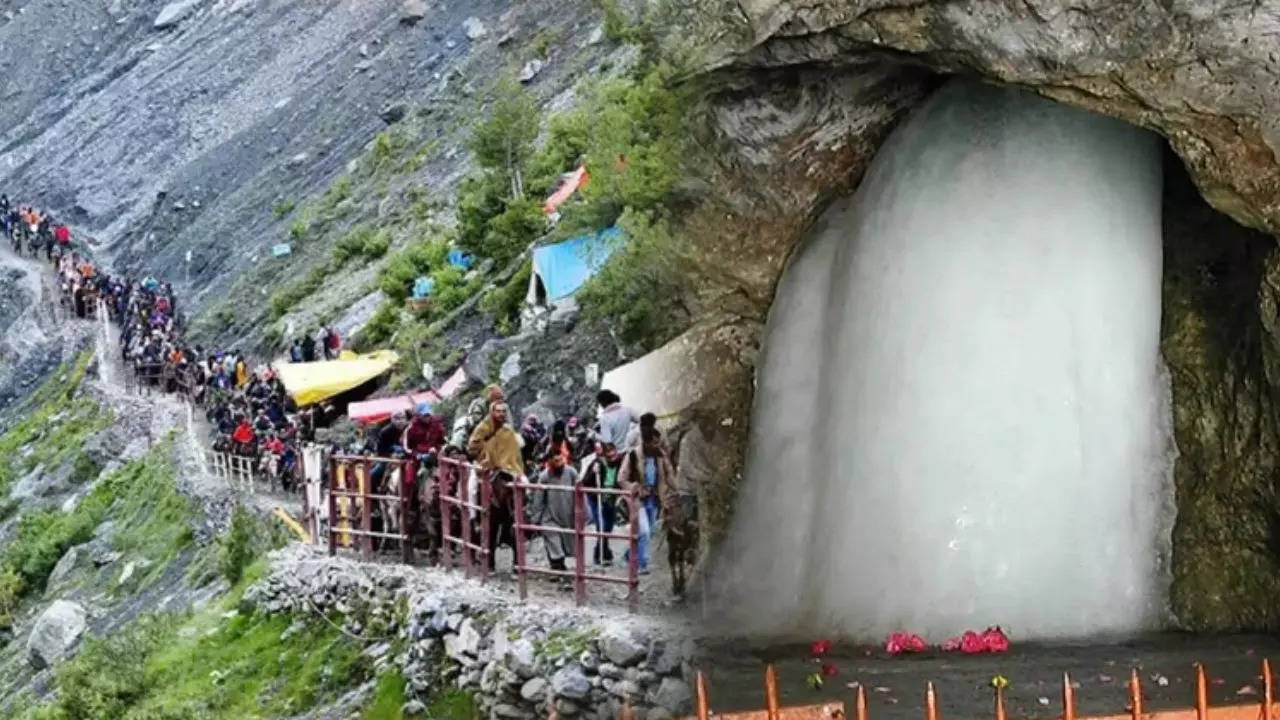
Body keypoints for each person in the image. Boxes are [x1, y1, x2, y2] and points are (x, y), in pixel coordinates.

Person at [617, 424, 673, 576]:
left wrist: (675, 490)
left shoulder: (660, 456)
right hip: (638, 500)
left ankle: (629, 555)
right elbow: (621, 478)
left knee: (648, 531)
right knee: (645, 532)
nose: (658, 446)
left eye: (659, 443)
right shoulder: (633, 456)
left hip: (654, 499)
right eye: (654, 443)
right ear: (646, 442)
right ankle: (642, 564)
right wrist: (633, 486)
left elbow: (669, 474)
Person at [529, 451, 578, 574]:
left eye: (561, 460)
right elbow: (538, 499)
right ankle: (557, 567)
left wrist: (581, 514)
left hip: (567, 513)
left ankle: (559, 566)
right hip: (550, 515)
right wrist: (536, 519)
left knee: (566, 542)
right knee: (553, 540)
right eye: (556, 461)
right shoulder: (544, 476)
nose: (559, 464)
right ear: (550, 462)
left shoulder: (571, 472)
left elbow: (580, 493)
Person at [580, 442, 619, 566]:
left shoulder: (620, 463)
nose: (612, 459)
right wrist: (592, 472)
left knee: (609, 526)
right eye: (610, 457)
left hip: (610, 498)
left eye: (614, 455)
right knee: (601, 526)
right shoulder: (597, 463)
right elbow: (584, 481)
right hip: (596, 498)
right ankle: (600, 554)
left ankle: (604, 551)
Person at [467, 402, 524, 478]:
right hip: (485, 462)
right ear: (492, 412)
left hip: (506, 464)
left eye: (503, 411)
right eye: (498, 411)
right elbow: (473, 445)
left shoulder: (507, 428)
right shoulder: (484, 426)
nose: (501, 414)